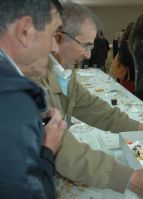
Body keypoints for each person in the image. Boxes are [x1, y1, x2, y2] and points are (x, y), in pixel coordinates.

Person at [29, 2, 143, 197]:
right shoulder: (32, 78)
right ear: (58, 39)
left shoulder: (65, 71)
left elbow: (91, 106)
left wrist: (134, 126)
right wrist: (128, 178)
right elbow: (62, 147)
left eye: (91, 45)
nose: (88, 54)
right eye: (85, 45)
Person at [0, 0, 66, 198]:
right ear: (25, 31)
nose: (55, 48)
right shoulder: (13, 100)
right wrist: (47, 148)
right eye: (53, 34)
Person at [118, 22, 135, 92]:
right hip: (128, 75)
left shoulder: (133, 43)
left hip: (132, 75)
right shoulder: (125, 44)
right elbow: (123, 59)